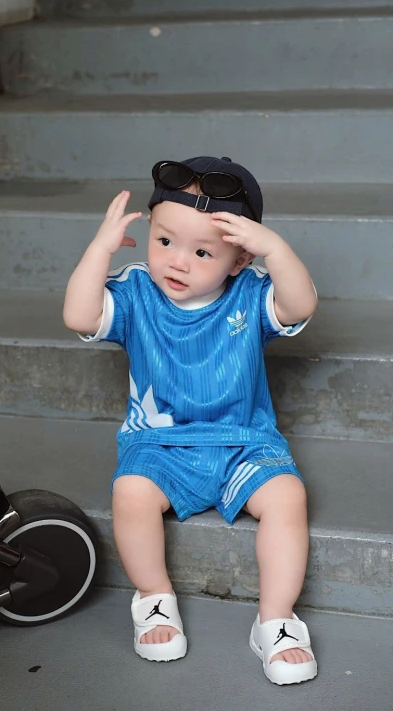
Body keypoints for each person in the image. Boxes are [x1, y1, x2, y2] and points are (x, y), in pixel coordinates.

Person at [63, 156, 318, 686]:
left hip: (243, 442)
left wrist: (276, 249)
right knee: (131, 492)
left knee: (287, 497)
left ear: (239, 259)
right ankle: (154, 597)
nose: (177, 262)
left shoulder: (250, 293)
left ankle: (276, 619)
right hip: (160, 444)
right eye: (164, 241)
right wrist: (99, 250)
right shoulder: (136, 293)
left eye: (202, 252)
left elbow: (298, 306)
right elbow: (79, 316)